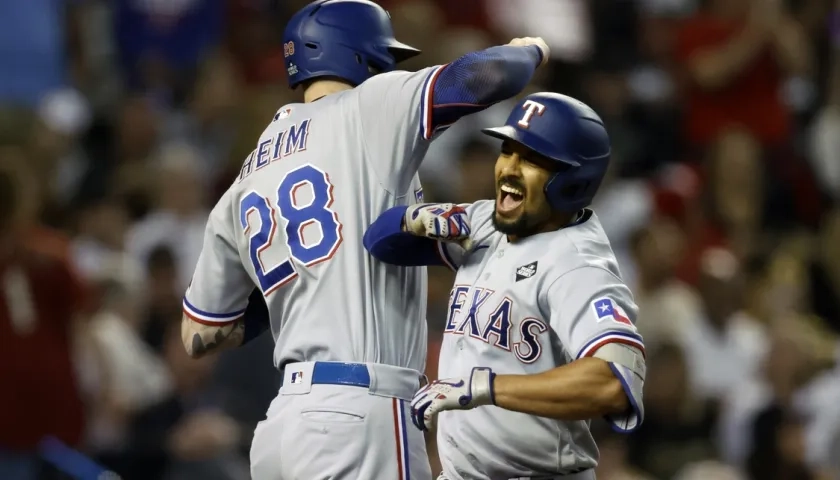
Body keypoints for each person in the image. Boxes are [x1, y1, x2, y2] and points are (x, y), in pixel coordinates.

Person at [179, 1, 549, 479]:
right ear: (360, 56)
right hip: (361, 411)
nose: (386, 68)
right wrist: (531, 49)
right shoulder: (368, 108)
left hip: (282, 427)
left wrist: (291, 291)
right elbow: (486, 74)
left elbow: (199, 335)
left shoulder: (245, 178)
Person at [363, 92, 646, 480]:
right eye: (507, 151)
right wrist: (415, 218)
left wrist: (485, 387)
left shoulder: (578, 265)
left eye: (530, 159)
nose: (508, 169)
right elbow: (380, 242)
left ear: (572, 182)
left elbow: (613, 382)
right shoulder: (490, 223)